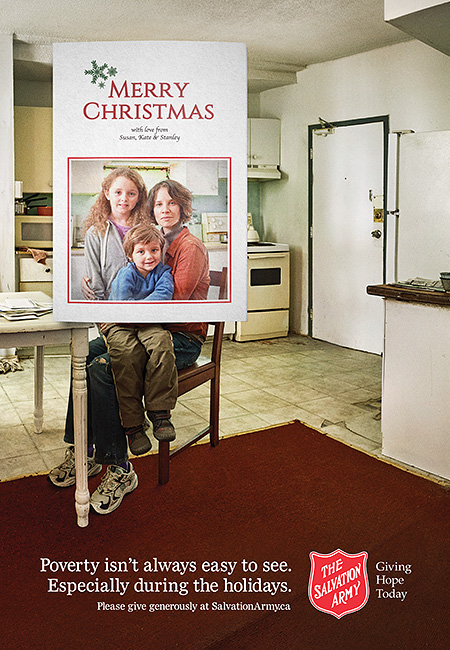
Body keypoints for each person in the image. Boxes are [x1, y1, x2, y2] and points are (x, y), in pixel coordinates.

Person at [48, 177, 210, 516]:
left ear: (183, 207)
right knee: (85, 354)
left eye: (172, 203)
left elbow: (169, 305)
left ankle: (120, 467)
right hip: (144, 327)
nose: (165, 209)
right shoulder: (156, 242)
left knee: (102, 369)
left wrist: (122, 316)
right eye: (159, 204)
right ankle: (83, 449)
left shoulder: (188, 246)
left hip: (178, 337)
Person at [103, 223, 177, 456]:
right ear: (130, 254)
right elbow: (122, 303)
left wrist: (141, 311)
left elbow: (164, 295)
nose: (149, 256)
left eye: (154, 250)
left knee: (163, 345)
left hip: (149, 323)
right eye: (141, 251)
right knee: (126, 356)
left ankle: (160, 413)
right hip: (121, 324)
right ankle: (133, 426)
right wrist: (139, 311)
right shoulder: (126, 273)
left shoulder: (163, 272)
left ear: (161, 251)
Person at [82, 166, 151, 300]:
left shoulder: (147, 230)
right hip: (109, 305)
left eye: (131, 193)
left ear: (139, 197)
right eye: (118, 192)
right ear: (107, 194)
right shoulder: (95, 233)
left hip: (142, 304)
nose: (124, 198)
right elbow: (94, 277)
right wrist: (100, 309)